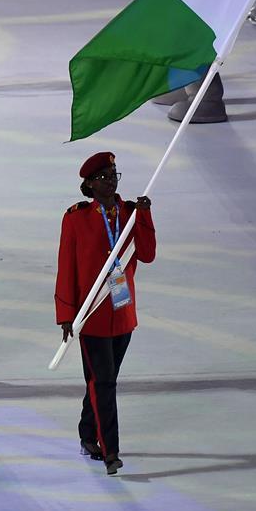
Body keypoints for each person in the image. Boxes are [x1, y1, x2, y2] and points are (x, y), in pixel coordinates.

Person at [55, 152, 156, 475]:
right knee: (105, 383)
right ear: (89, 185)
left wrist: (145, 216)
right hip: (93, 315)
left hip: (122, 312)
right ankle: (110, 450)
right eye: (104, 177)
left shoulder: (129, 213)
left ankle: (87, 433)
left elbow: (148, 254)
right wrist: (66, 315)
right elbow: (66, 267)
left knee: (100, 381)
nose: (111, 180)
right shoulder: (76, 218)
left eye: (114, 174)